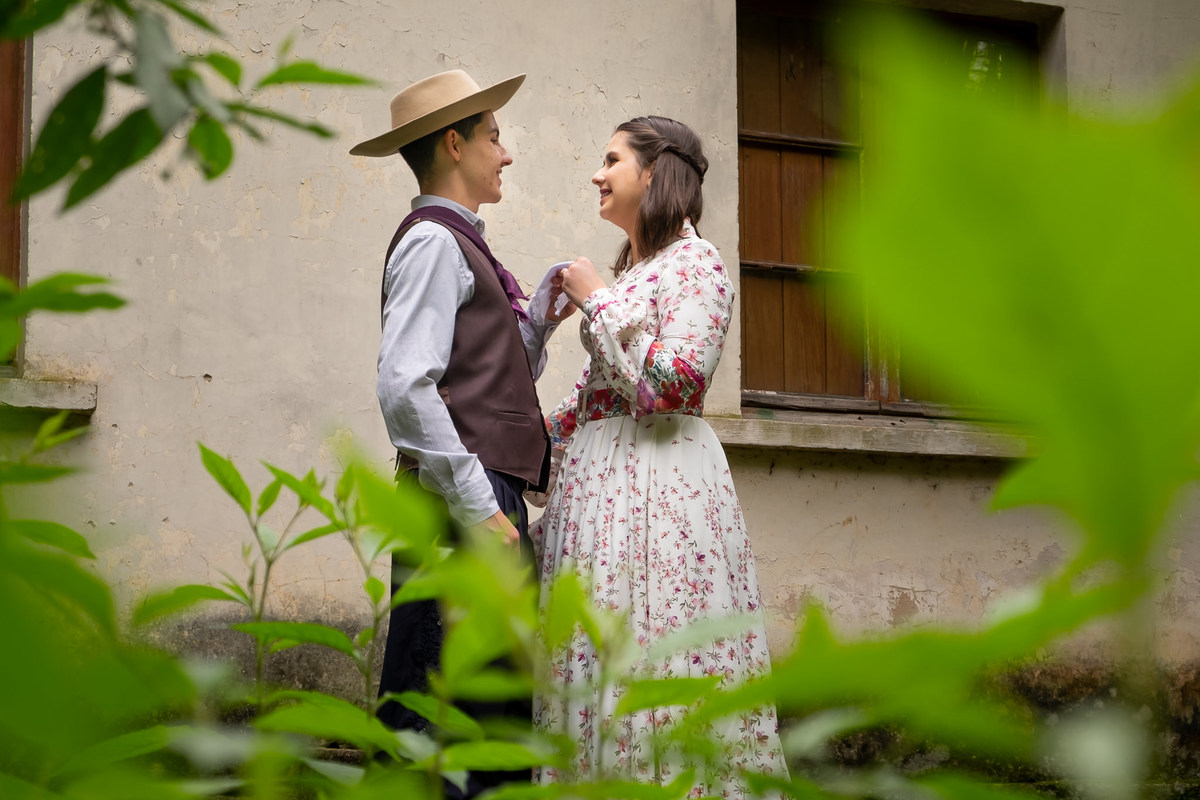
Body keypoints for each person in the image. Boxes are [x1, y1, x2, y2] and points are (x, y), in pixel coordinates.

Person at [530, 116, 789, 796]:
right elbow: (595, 403)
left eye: (611, 158)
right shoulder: (641, 270)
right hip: (602, 494)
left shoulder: (696, 262)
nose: (596, 173)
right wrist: (502, 436)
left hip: (659, 491)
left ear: (654, 172)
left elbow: (676, 384)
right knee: (596, 666)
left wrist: (598, 305)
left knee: (654, 660)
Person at [349, 69, 573, 798]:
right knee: (447, 711)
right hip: (463, 505)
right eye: (495, 137)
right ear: (454, 142)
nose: (505, 154)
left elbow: (480, 380)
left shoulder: (458, 243)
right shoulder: (434, 245)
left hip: (478, 498)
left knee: (491, 708)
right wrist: (480, 503)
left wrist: (534, 323)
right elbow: (404, 386)